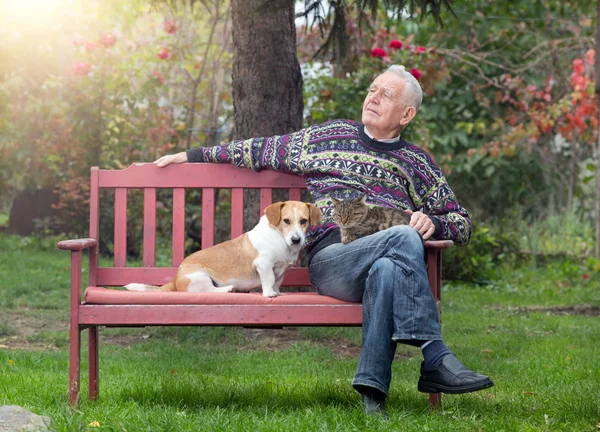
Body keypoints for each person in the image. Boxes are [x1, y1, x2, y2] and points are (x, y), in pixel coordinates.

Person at [154, 65, 494, 416]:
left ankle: (372, 395)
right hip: (334, 260)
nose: (373, 97)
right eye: (372, 89)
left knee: (387, 269)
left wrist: (434, 222)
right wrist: (192, 155)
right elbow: (261, 149)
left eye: (386, 94)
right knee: (404, 236)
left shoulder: (418, 163)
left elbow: (462, 224)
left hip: (388, 259)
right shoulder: (328, 137)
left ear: (407, 113)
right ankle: (435, 356)